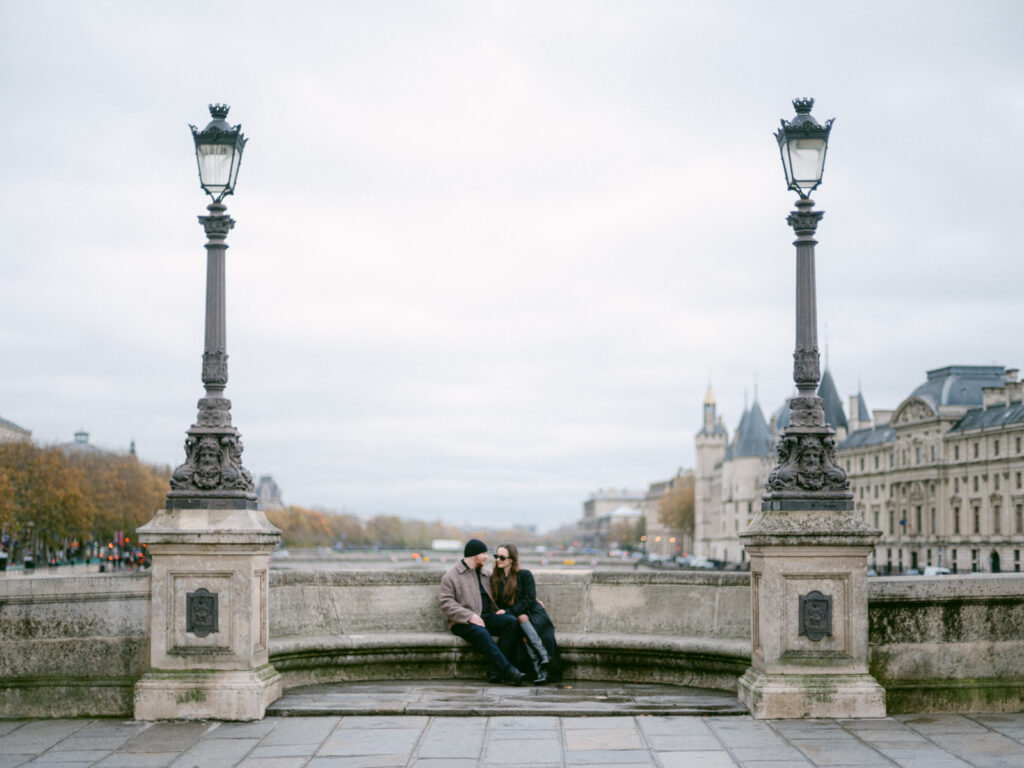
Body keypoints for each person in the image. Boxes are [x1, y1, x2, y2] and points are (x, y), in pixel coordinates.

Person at [438, 538, 526, 685]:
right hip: (463, 622)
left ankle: (495, 671)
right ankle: (509, 671)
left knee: (511, 622)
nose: (487, 557)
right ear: (474, 555)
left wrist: (531, 600)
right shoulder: (451, 577)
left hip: (487, 617)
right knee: (481, 633)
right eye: (484, 553)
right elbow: (446, 603)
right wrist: (469, 616)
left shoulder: (486, 574)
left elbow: (508, 591)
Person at [490, 542, 562, 684]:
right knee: (521, 626)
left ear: (512, 559)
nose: (498, 559)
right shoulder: (495, 579)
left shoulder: (524, 575)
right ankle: (542, 664)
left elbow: (529, 598)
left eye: (502, 557)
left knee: (525, 624)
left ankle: (543, 666)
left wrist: (510, 612)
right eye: (496, 556)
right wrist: (508, 613)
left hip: (533, 614)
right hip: (515, 618)